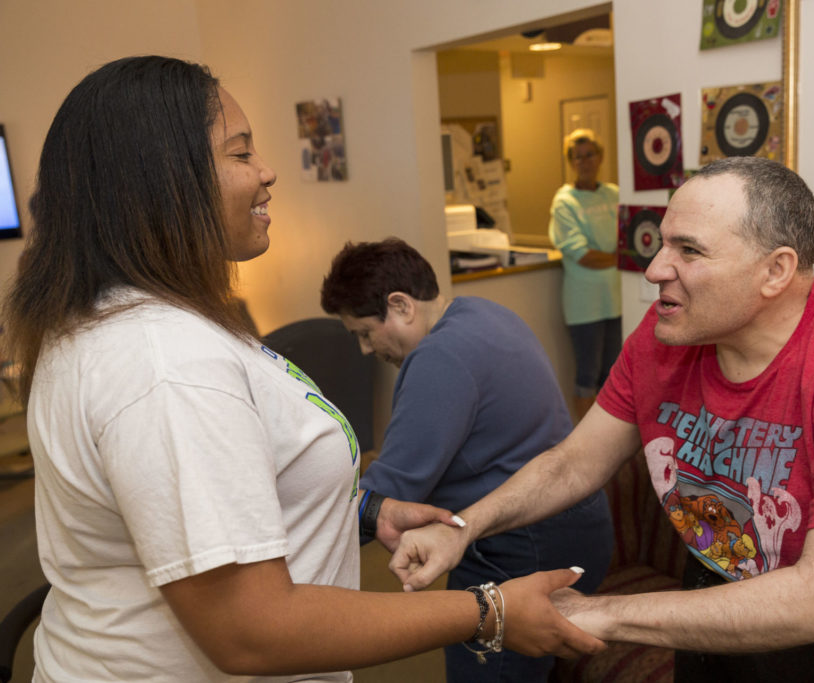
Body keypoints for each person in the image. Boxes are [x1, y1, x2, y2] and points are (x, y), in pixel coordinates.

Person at [0, 55, 603, 682]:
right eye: (240, 154)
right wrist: (487, 611)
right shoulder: (167, 365)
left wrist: (365, 513)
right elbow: (253, 633)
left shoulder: (120, 323)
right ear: (162, 183)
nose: (268, 172)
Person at [391, 156, 814, 682]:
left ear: (775, 271)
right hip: (728, 580)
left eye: (689, 251)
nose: (654, 270)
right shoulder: (668, 332)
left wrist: (595, 611)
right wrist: (461, 528)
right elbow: (573, 464)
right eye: (663, 243)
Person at [320, 238, 614, 683]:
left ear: (400, 306)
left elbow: (392, 493)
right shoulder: (481, 312)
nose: (365, 349)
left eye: (364, 332)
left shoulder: (438, 358)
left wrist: (304, 524)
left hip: (520, 547)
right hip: (576, 525)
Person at [548, 128, 622, 420]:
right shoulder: (564, 201)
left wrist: (619, 256)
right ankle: (587, 450)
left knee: (614, 376)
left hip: (614, 300)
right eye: (576, 157)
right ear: (571, 162)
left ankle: (613, 451)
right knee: (587, 377)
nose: (583, 162)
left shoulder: (613, 194)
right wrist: (620, 258)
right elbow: (584, 255)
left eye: (589, 155)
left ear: (600, 157)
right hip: (584, 305)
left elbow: (630, 240)